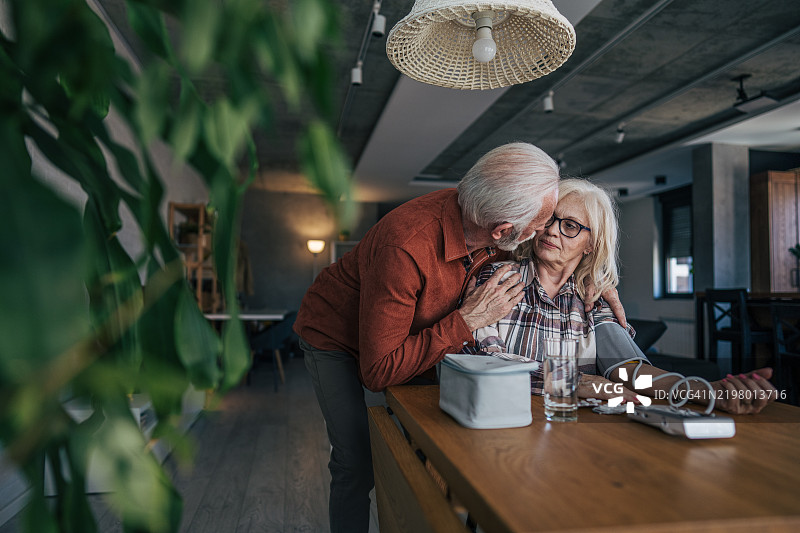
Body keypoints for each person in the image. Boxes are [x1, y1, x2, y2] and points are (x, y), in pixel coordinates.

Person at [295, 142, 582, 533]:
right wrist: (466, 320)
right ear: (502, 231)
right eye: (539, 225)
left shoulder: (488, 221)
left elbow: (551, 259)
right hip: (336, 336)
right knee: (355, 460)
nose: (545, 232)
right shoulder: (407, 245)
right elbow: (378, 373)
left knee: (431, 443)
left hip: (410, 332)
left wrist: (598, 280)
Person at [466, 178, 777, 414]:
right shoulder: (498, 278)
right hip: (504, 418)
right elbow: (484, 361)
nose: (553, 231)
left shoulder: (594, 299)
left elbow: (629, 371)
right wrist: (572, 382)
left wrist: (706, 390)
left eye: (570, 226)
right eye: (549, 219)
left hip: (569, 433)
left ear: (590, 244)